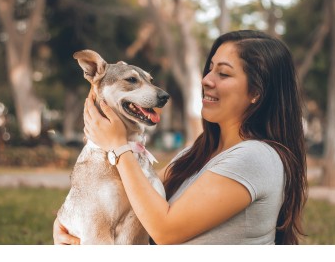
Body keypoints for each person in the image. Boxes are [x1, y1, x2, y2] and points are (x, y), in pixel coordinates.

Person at [53, 30, 308, 245]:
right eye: (209, 70)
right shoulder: (194, 154)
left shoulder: (255, 158)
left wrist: (118, 146)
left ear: (257, 92)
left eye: (224, 73)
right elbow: (132, 196)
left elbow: (165, 230)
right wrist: (66, 224)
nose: (206, 80)